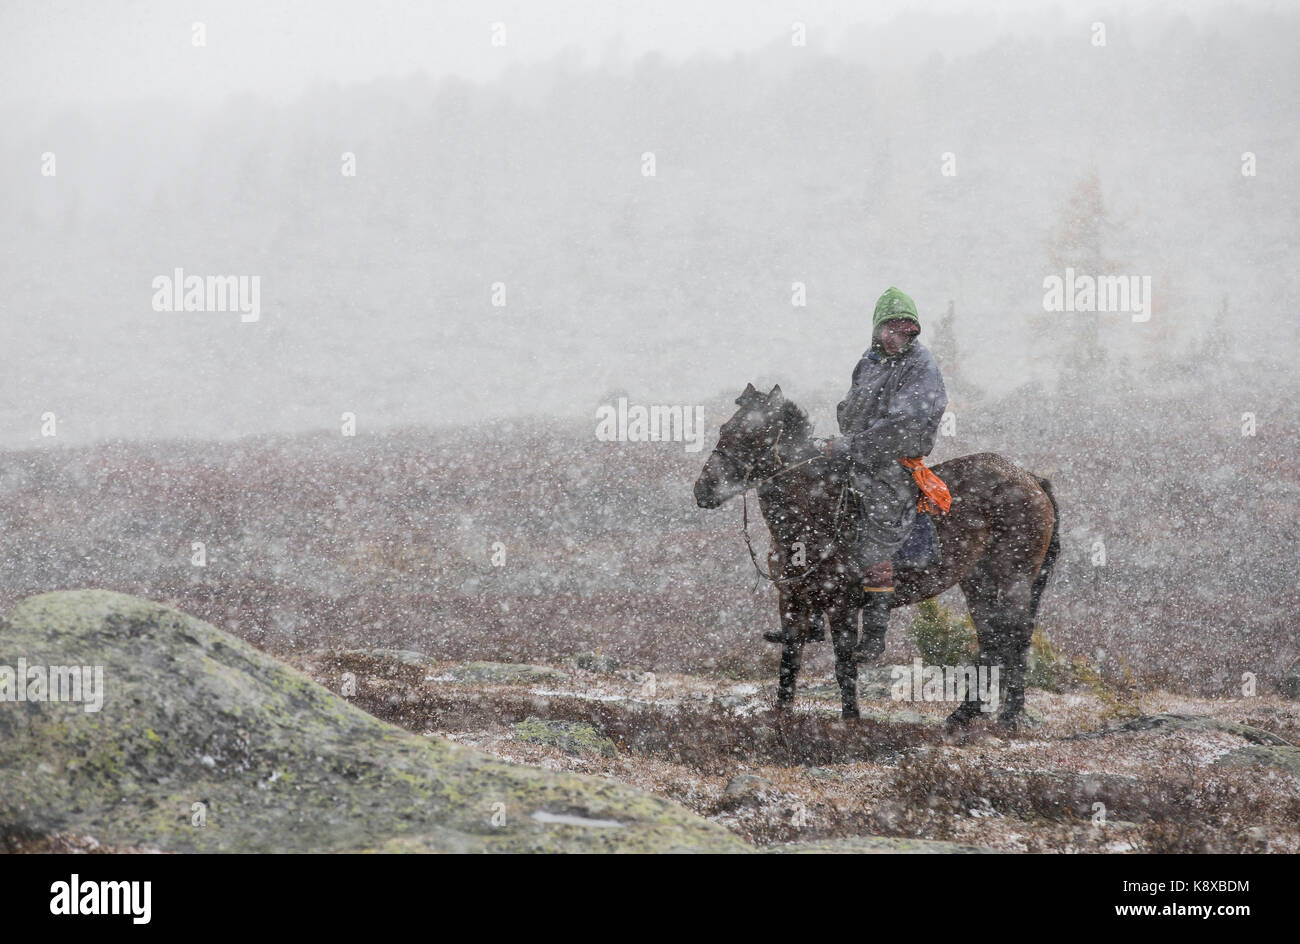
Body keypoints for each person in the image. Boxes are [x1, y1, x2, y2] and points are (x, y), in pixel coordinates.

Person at [821, 287, 948, 662]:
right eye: (892, 329)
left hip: (892, 462)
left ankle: (874, 635)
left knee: (879, 517)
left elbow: (904, 425)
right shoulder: (868, 361)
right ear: (878, 329)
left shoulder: (921, 365)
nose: (899, 337)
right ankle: (811, 604)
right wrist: (843, 441)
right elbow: (850, 409)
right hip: (859, 452)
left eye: (907, 331)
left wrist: (854, 445)